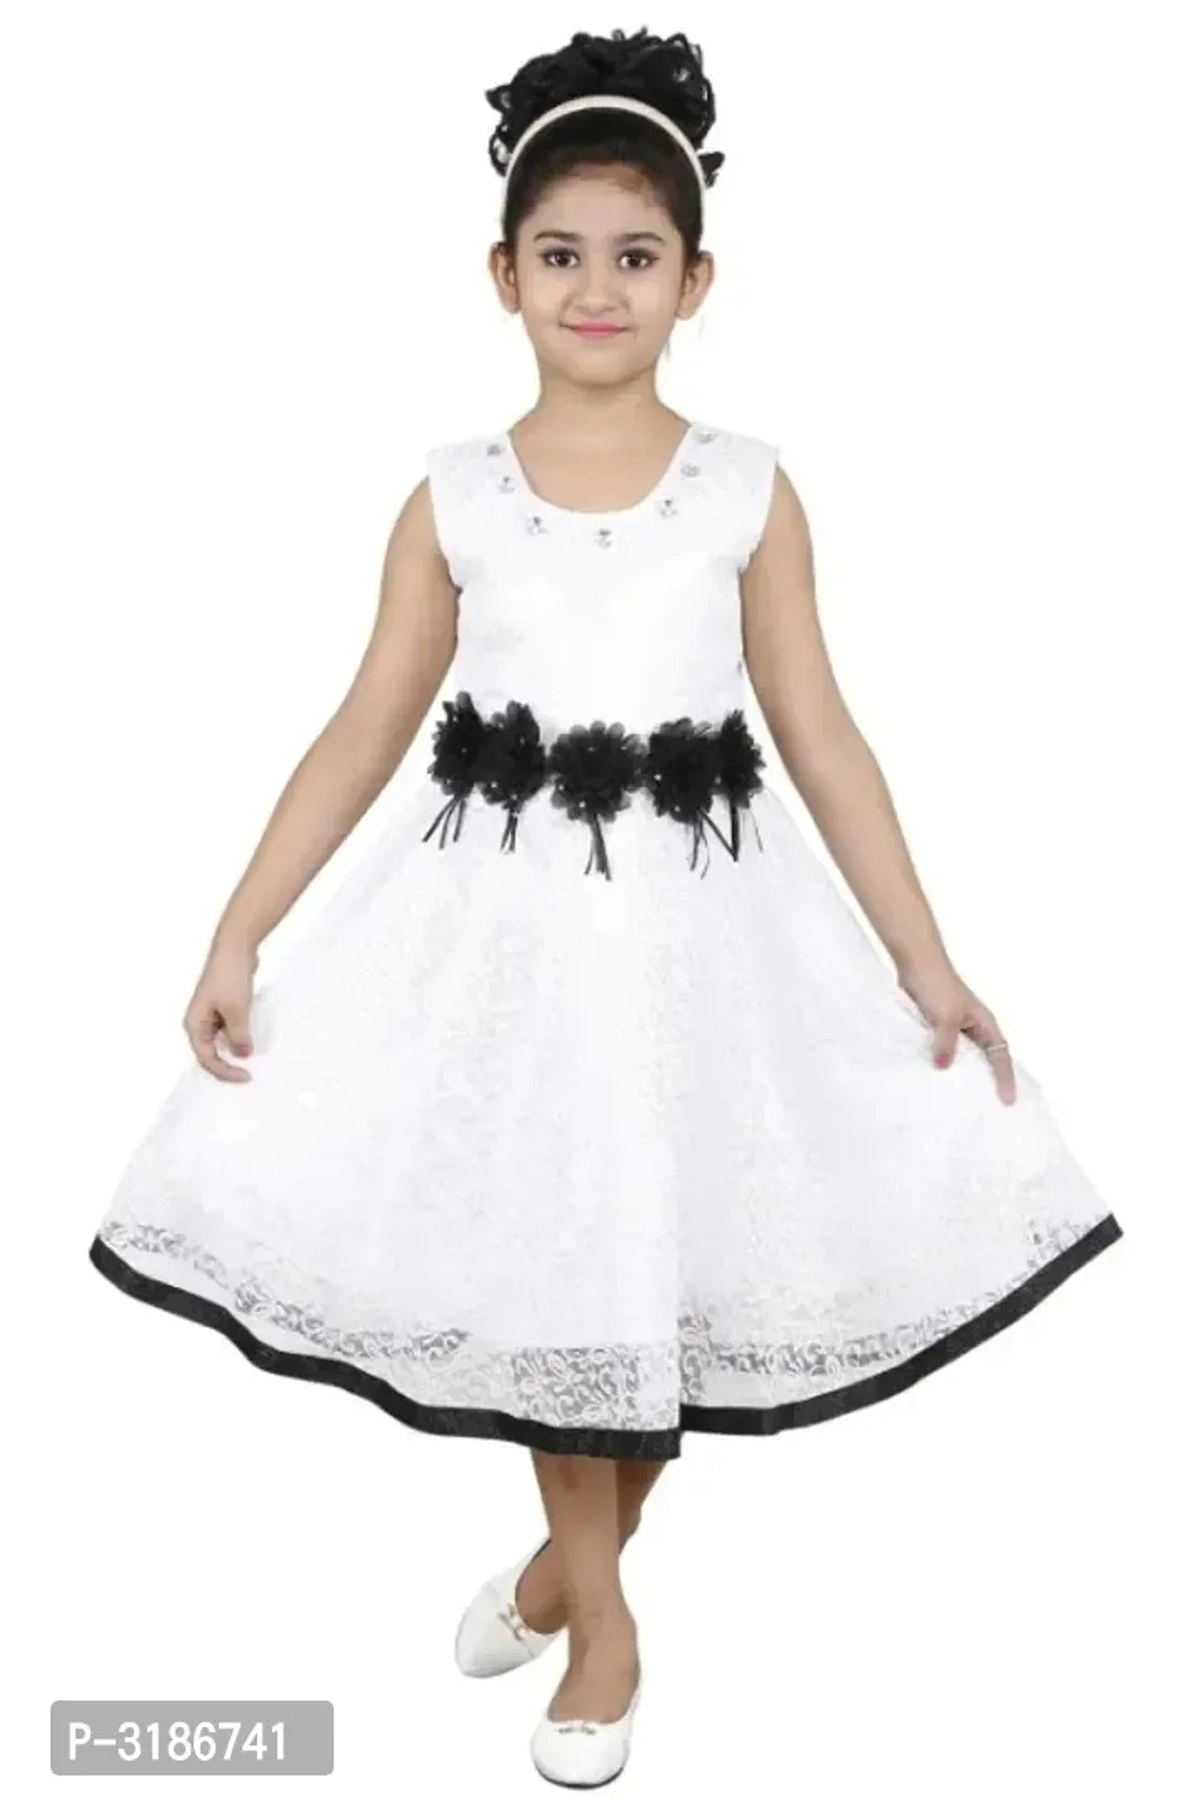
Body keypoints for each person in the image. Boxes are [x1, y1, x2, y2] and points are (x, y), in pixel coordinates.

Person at [87, 25, 1122, 1790]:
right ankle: (614, 1623)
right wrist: (238, 927)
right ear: (502, 275)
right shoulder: (452, 496)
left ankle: (570, 1567)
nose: (596, 288)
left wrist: (925, 957)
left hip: (707, 946)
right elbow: (367, 722)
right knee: (561, 1253)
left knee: (651, 1262)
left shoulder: (748, 489)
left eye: (636, 256)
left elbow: (821, 732)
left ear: (695, 281)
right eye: (559, 253)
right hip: (499, 945)